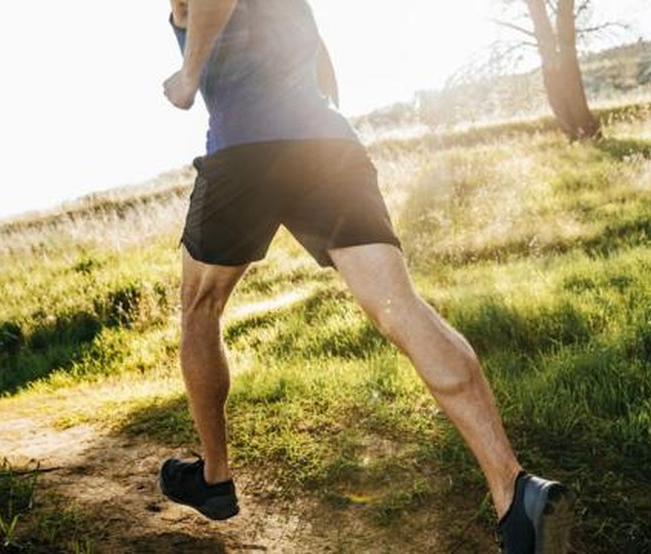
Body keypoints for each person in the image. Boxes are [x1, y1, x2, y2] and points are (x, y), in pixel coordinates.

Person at [156, 1, 574, 551]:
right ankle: (512, 490)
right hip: (329, 145)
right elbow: (324, 69)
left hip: (245, 150)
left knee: (199, 306)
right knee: (402, 307)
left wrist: (189, 79)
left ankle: (213, 477)